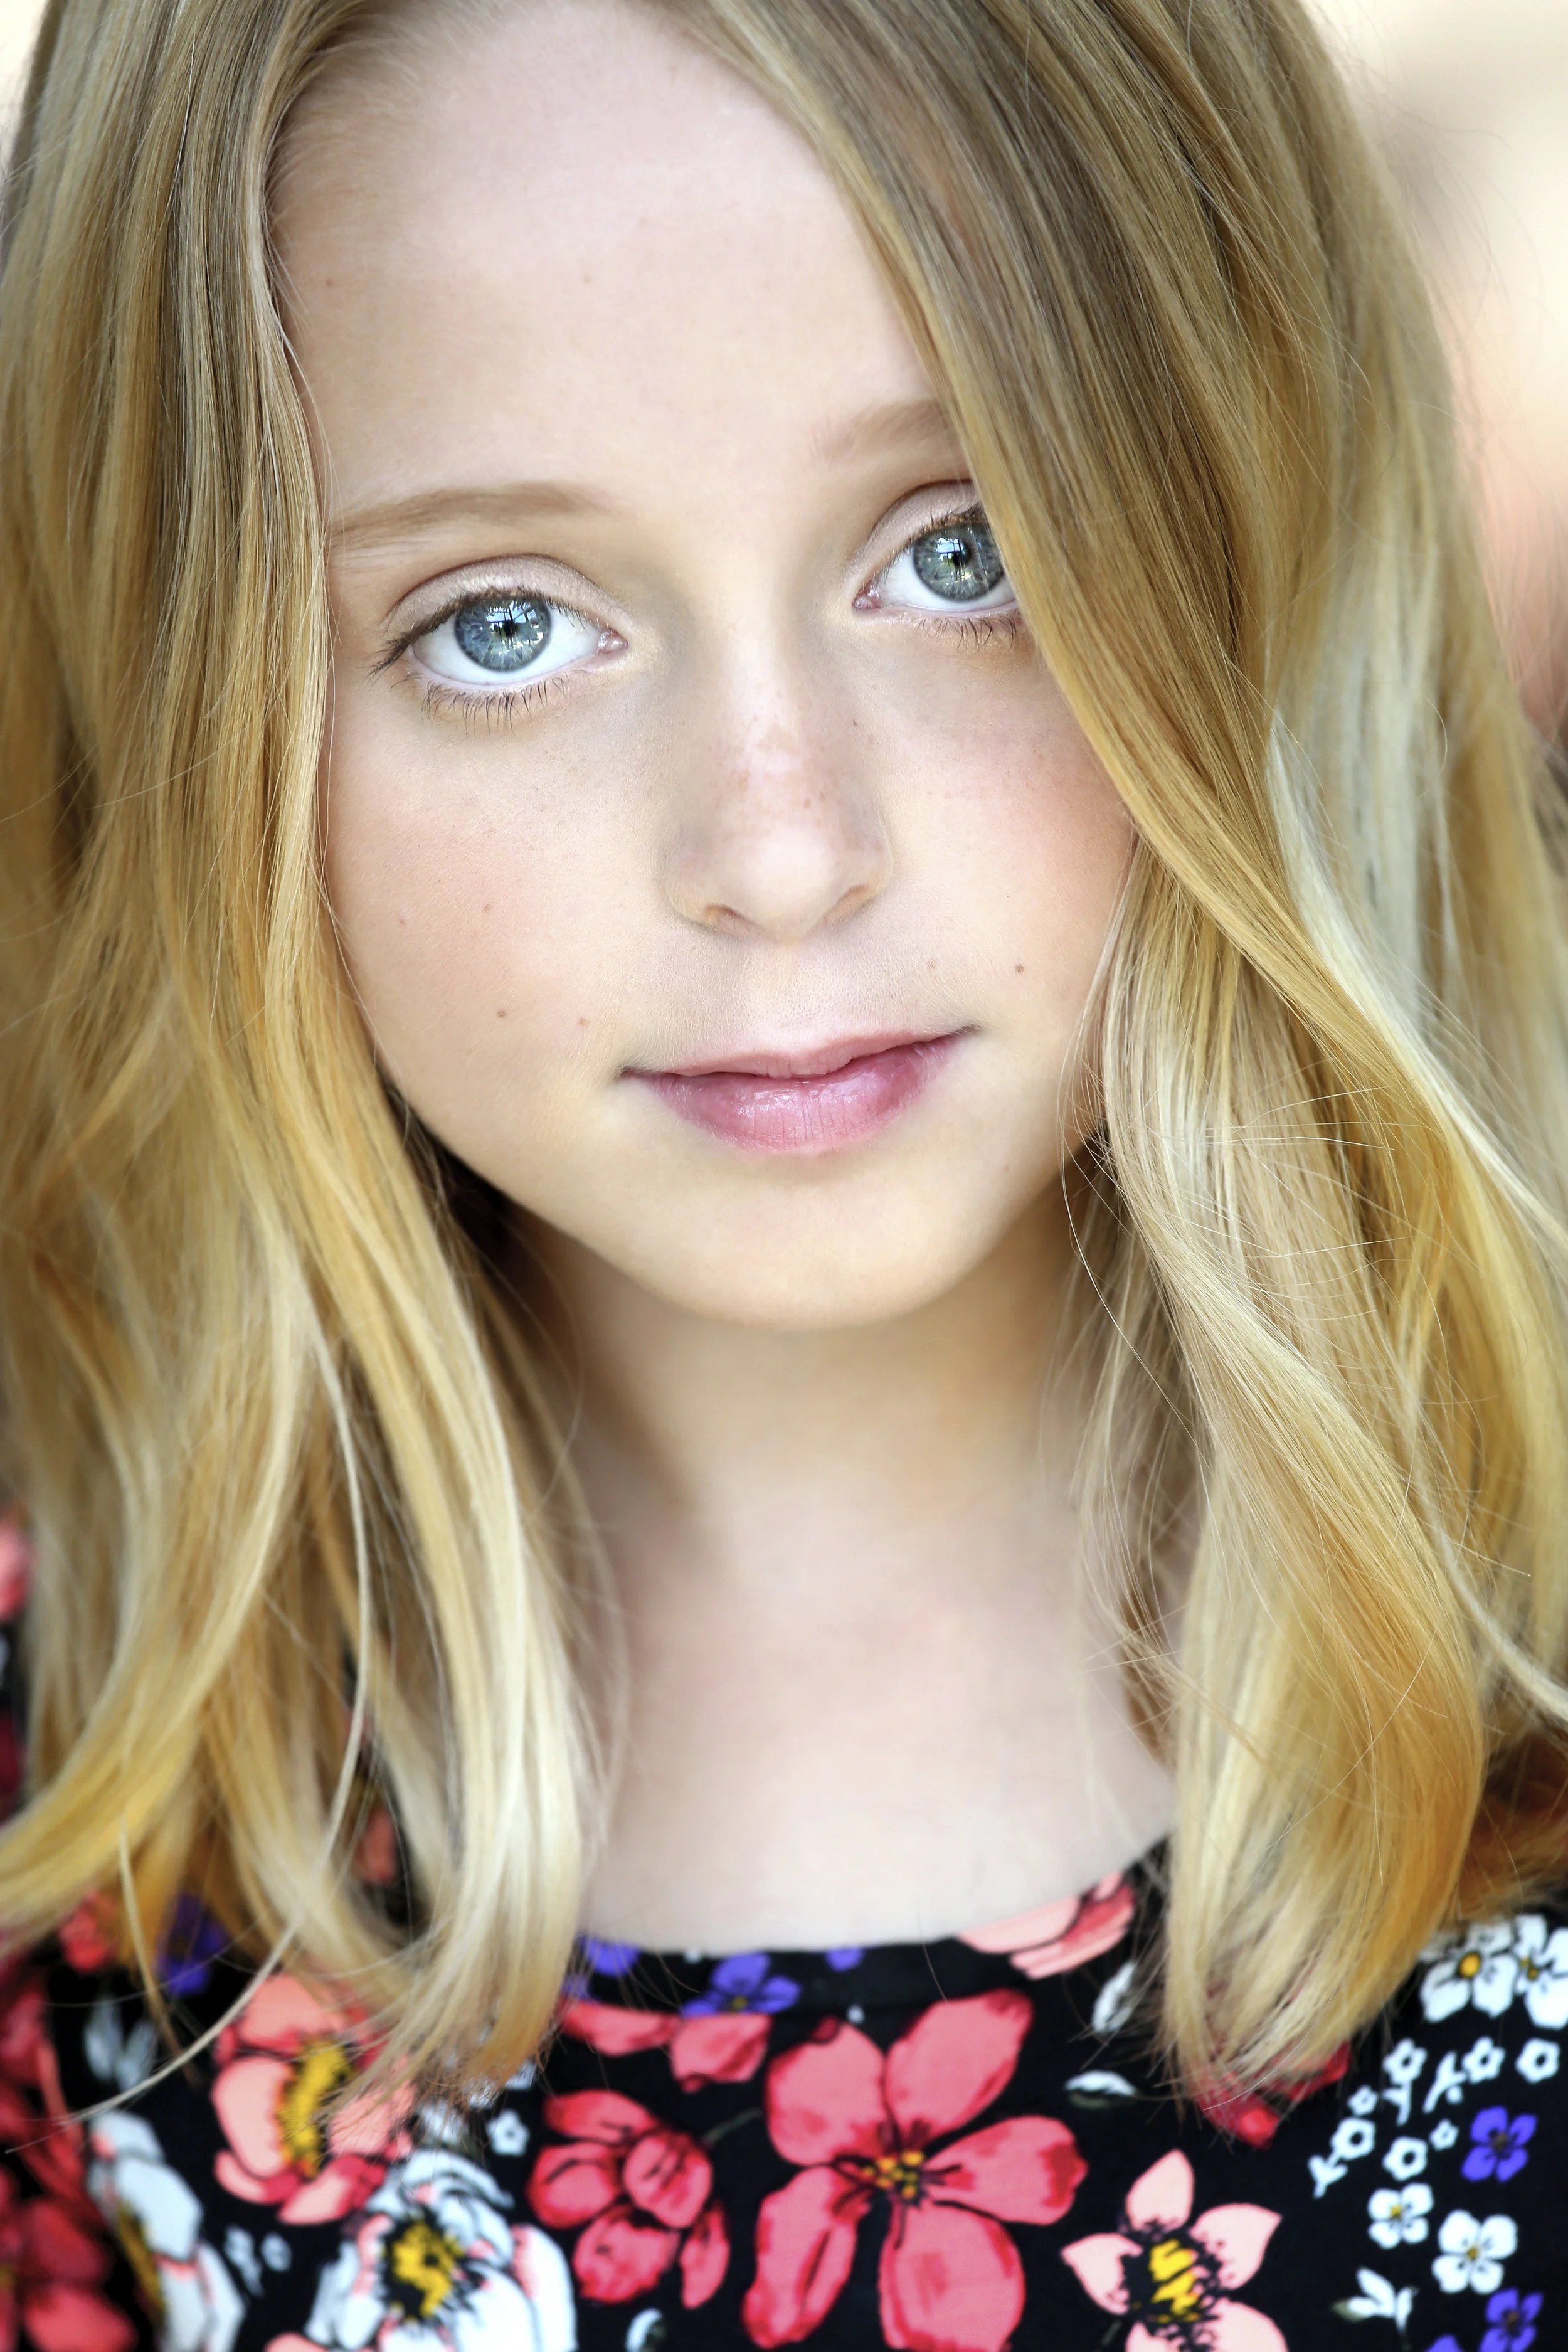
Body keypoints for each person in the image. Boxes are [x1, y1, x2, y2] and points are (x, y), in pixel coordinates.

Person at [1, 0, 1567, 2343]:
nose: (779, 849)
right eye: (502, 624)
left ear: (1259, 520)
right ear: (196, 699)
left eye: (963, 551)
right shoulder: (87, 1821)